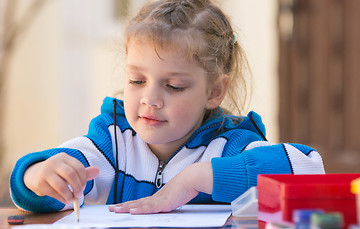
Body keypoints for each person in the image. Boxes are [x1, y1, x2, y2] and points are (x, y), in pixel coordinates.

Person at [10, 0, 325, 214]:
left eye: (173, 86)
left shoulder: (229, 147)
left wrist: (196, 178)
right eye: (136, 80)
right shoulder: (111, 142)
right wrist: (36, 176)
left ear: (214, 92)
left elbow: (310, 167)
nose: (150, 98)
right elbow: (48, 184)